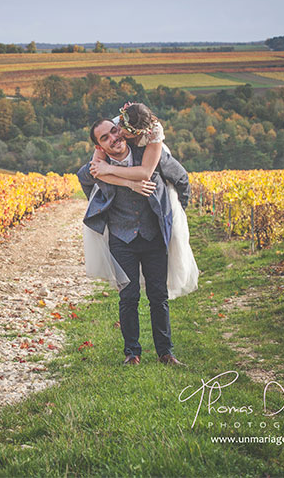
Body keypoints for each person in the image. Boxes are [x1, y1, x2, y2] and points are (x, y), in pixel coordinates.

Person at [77, 117, 191, 366]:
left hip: (154, 236)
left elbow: (181, 178)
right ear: (100, 147)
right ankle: (132, 353)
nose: (112, 139)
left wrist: (176, 212)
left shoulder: (151, 156)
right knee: (128, 297)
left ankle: (166, 352)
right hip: (121, 238)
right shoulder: (99, 166)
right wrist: (103, 198)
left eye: (113, 131)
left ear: (123, 131)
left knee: (158, 295)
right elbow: (83, 177)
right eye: (104, 138)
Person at [91, 102, 199, 299]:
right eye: (119, 128)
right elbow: (97, 170)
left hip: (150, 161)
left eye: (125, 133)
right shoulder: (115, 128)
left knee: (158, 293)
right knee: (128, 296)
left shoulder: (154, 135)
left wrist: (178, 207)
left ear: (139, 133)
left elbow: (146, 172)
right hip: (123, 231)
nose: (120, 133)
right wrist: (129, 184)